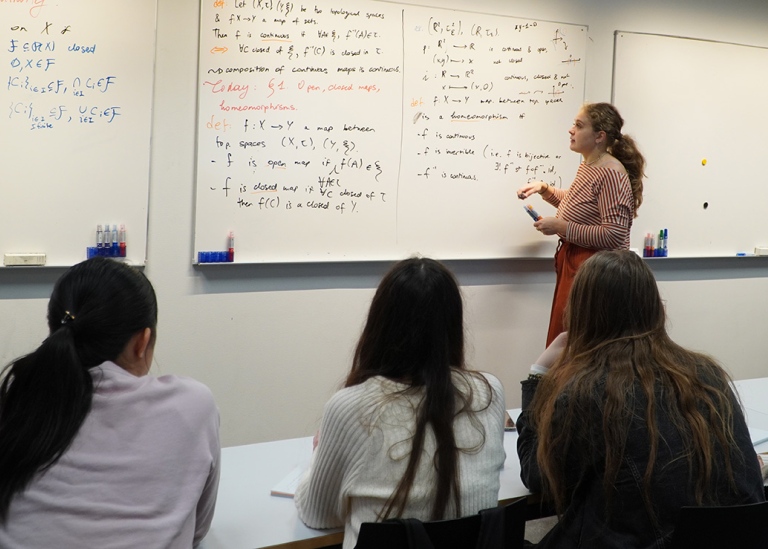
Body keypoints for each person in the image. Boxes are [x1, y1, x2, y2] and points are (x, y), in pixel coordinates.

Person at [516, 250, 765, 549]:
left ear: (581, 314)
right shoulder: (708, 373)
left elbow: (537, 477)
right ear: (654, 307)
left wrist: (537, 376)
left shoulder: (585, 392)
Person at [0, 257, 220, 548]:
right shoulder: (193, 404)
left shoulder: (20, 393)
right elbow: (197, 530)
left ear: (56, 329)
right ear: (143, 342)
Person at [294, 257, 506, 549]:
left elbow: (317, 514)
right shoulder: (488, 393)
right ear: (452, 325)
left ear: (380, 324)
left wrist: (319, 456)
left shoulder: (349, 407)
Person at [517, 102, 645, 346]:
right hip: (576, 264)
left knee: (575, 344)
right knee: (564, 341)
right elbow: (579, 204)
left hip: (593, 271)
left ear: (599, 136)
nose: (571, 130)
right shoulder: (591, 165)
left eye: (578, 125)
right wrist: (545, 190)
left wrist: (560, 228)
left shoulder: (611, 172)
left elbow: (614, 236)